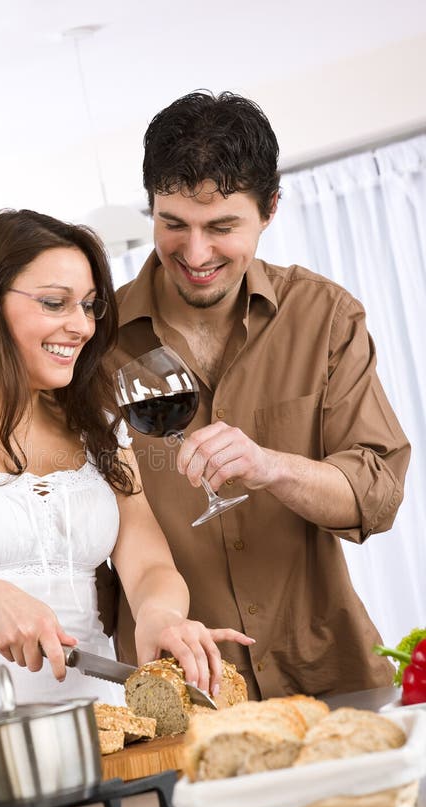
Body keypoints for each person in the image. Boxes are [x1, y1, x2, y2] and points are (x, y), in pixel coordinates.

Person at [0, 209, 253, 807]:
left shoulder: (98, 427)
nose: (81, 326)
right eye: (56, 302)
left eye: (89, 306)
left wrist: (162, 618)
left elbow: (146, 564)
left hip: (103, 752)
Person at [98, 91, 410, 701]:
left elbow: (377, 494)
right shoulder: (94, 343)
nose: (195, 254)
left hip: (329, 675)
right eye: (173, 225)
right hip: (185, 697)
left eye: (221, 227)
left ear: (269, 209)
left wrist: (272, 468)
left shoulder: (323, 317)